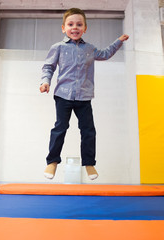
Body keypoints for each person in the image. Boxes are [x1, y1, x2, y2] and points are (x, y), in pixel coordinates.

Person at [40, 8, 129, 180]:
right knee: (60, 128)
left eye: (79, 24)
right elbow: (49, 67)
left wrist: (118, 42)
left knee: (88, 130)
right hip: (63, 95)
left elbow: (105, 54)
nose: (75, 27)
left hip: (84, 96)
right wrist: (45, 81)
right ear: (63, 28)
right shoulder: (58, 47)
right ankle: (52, 162)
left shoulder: (89, 49)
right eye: (70, 24)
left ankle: (89, 163)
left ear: (85, 28)